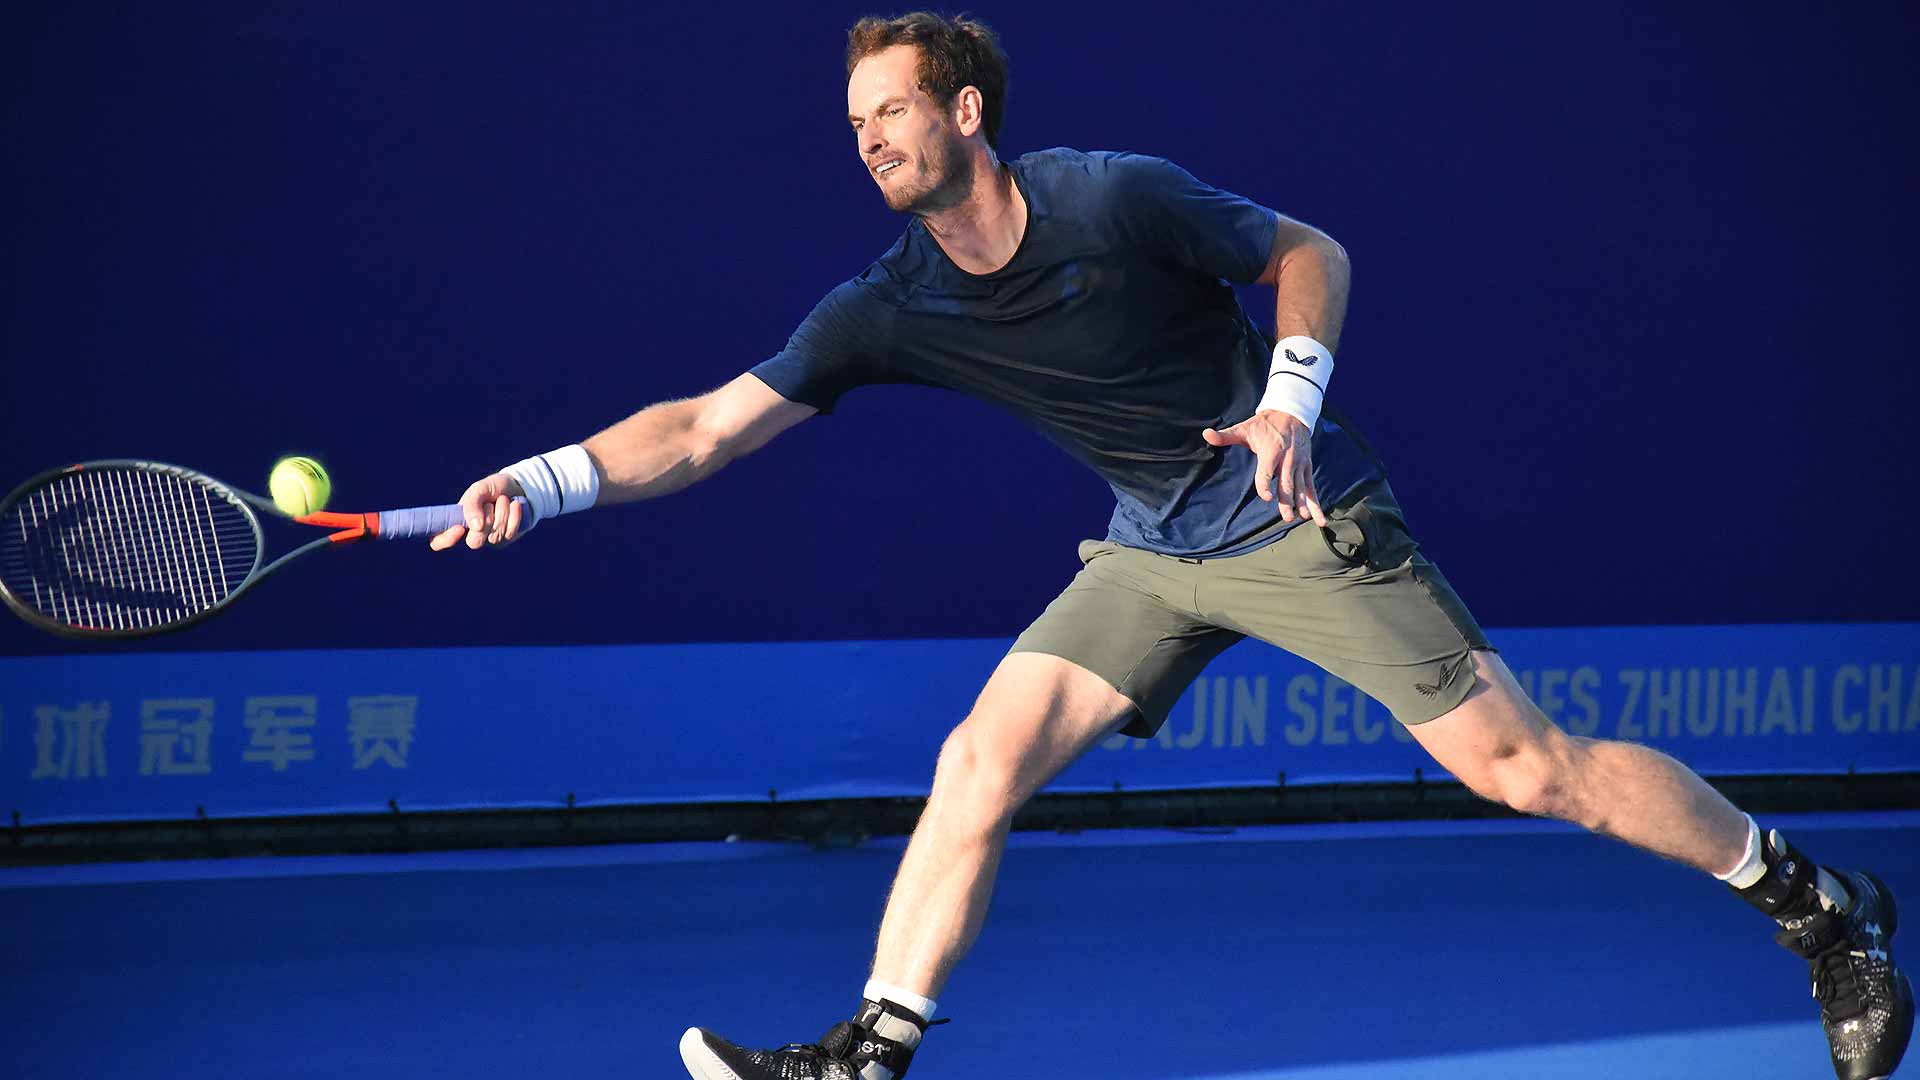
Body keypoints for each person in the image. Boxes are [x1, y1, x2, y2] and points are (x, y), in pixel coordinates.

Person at [430, 13, 1912, 1080]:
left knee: (1527, 771)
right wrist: (542, 484)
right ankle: (870, 1055)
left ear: (964, 112)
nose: (866, 138)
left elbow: (1309, 251)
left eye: (890, 110)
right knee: (979, 758)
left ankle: (1818, 907)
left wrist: (1289, 402)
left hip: (1291, 511)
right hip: (1149, 548)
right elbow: (704, 429)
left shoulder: (1108, 196)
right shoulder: (888, 301)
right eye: (853, 122)